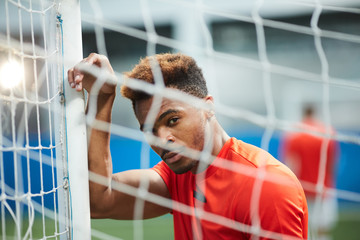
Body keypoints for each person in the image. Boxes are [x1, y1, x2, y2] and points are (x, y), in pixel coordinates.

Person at [68, 53, 308, 239]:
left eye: (173, 120)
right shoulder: (177, 177)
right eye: (150, 131)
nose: (162, 139)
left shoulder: (266, 185)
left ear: (208, 108)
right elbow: (98, 202)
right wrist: (103, 96)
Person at [281, 104, 339, 240]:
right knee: (322, 232)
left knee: (302, 231)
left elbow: (290, 165)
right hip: (323, 190)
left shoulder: (294, 134)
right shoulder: (327, 133)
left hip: (302, 191)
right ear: (315, 113)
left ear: (303, 113)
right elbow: (332, 165)